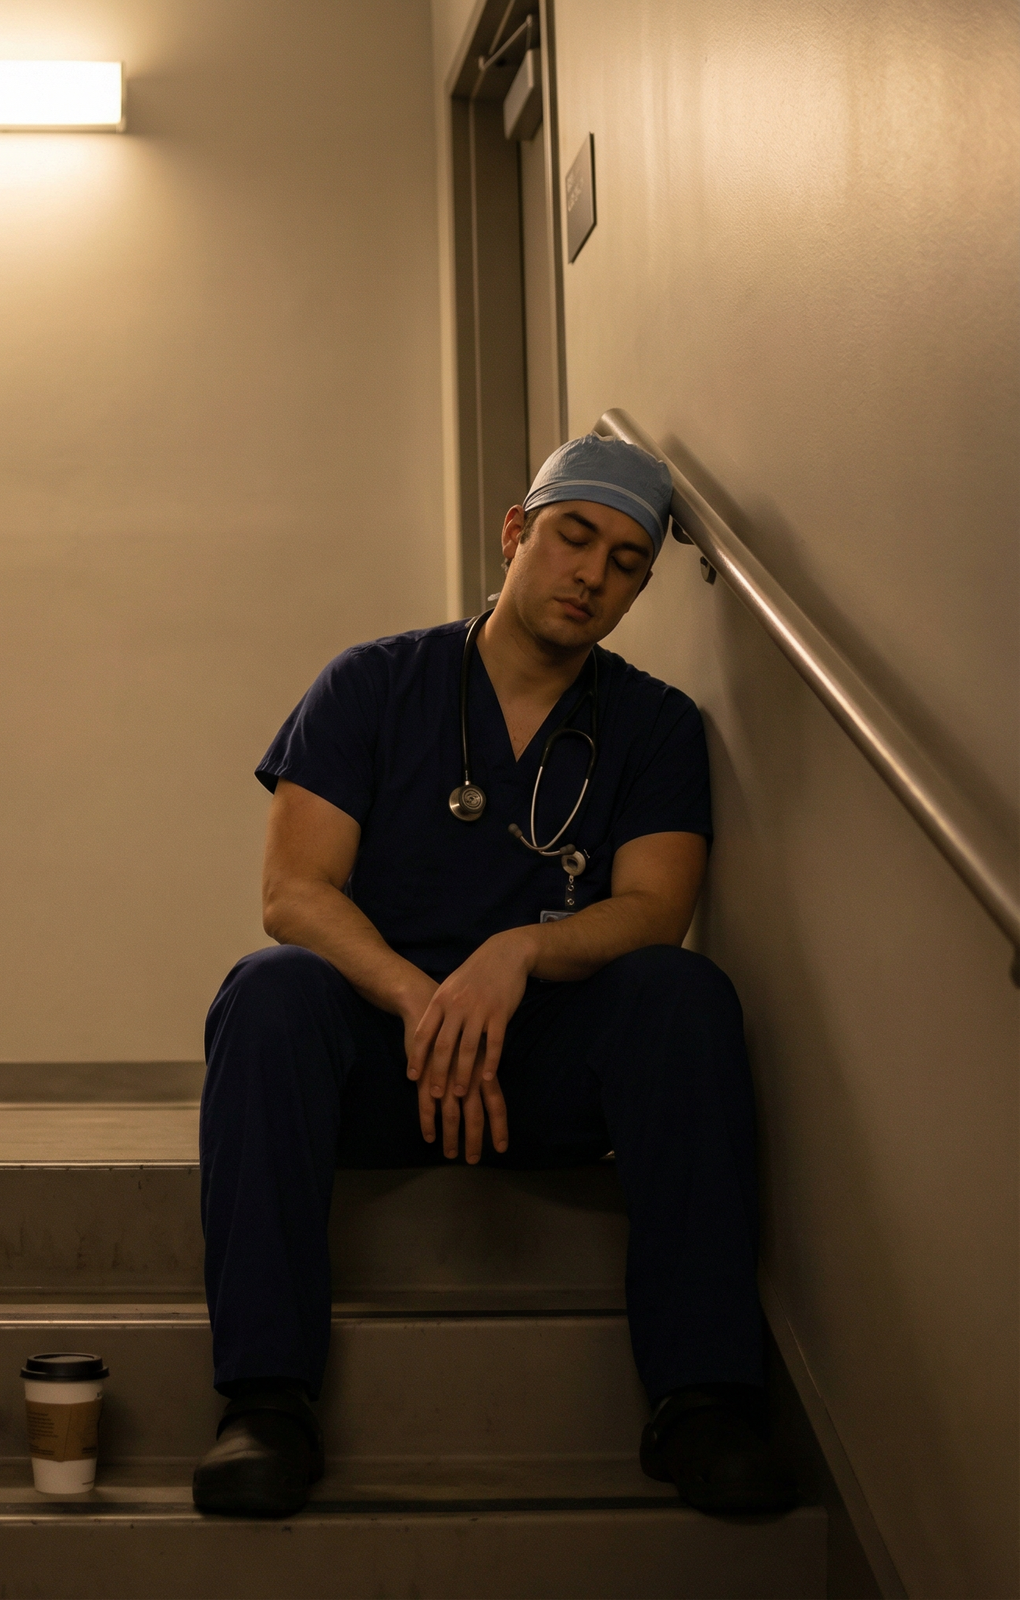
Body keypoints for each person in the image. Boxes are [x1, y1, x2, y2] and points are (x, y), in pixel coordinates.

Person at [191, 435, 797, 1520]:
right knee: (266, 989)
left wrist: (514, 952)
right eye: (574, 538)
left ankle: (703, 1401)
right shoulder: (374, 685)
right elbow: (293, 892)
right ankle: (265, 1401)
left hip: (544, 1075)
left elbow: (656, 906)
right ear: (516, 532)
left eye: (624, 562)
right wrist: (420, 997)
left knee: (684, 995)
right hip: (384, 1063)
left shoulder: (653, 725)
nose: (591, 576)